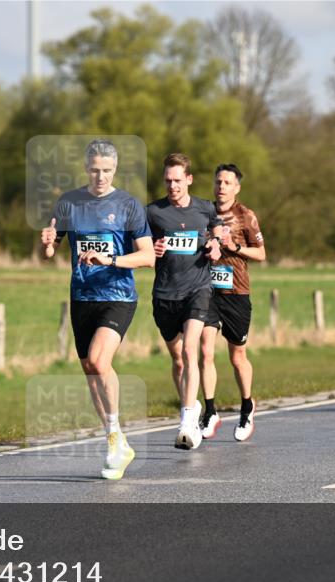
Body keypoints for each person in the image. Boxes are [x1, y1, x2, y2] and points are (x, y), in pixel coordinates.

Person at [40, 139, 155, 478]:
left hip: (118, 295)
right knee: (91, 371)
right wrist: (47, 244)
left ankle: (117, 433)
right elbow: (51, 249)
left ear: (114, 169)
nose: (100, 176)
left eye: (106, 170)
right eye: (94, 170)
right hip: (81, 296)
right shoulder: (69, 203)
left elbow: (147, 256)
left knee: (99, 360)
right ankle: (115, 442)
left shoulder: (129, 205)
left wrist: (112, 259)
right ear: (86, 168)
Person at [146, 153, 222, 450]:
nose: (173, 186)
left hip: (198, 289)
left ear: (189, 179)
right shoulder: (153, 212)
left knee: (192, 350)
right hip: (165, 294)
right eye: (168, 180)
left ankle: (187, 420)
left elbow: (217, 227)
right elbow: (136, 244)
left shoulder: (204, 208)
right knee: (178, 359)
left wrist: (215, 242)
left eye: (178, 180)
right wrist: (152, 247)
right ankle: (191, 407)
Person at [199, 163, 266, 441]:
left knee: (237, 357)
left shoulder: (245, 215)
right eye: (218, 182)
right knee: (204, 350)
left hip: (236, 292)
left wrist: (235, 248)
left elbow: (261, 253)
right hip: (206, 291)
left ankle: (247, 405)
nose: (221, 186)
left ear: (237, 187)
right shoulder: (203, 211)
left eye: (227, 182)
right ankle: (210, 410)